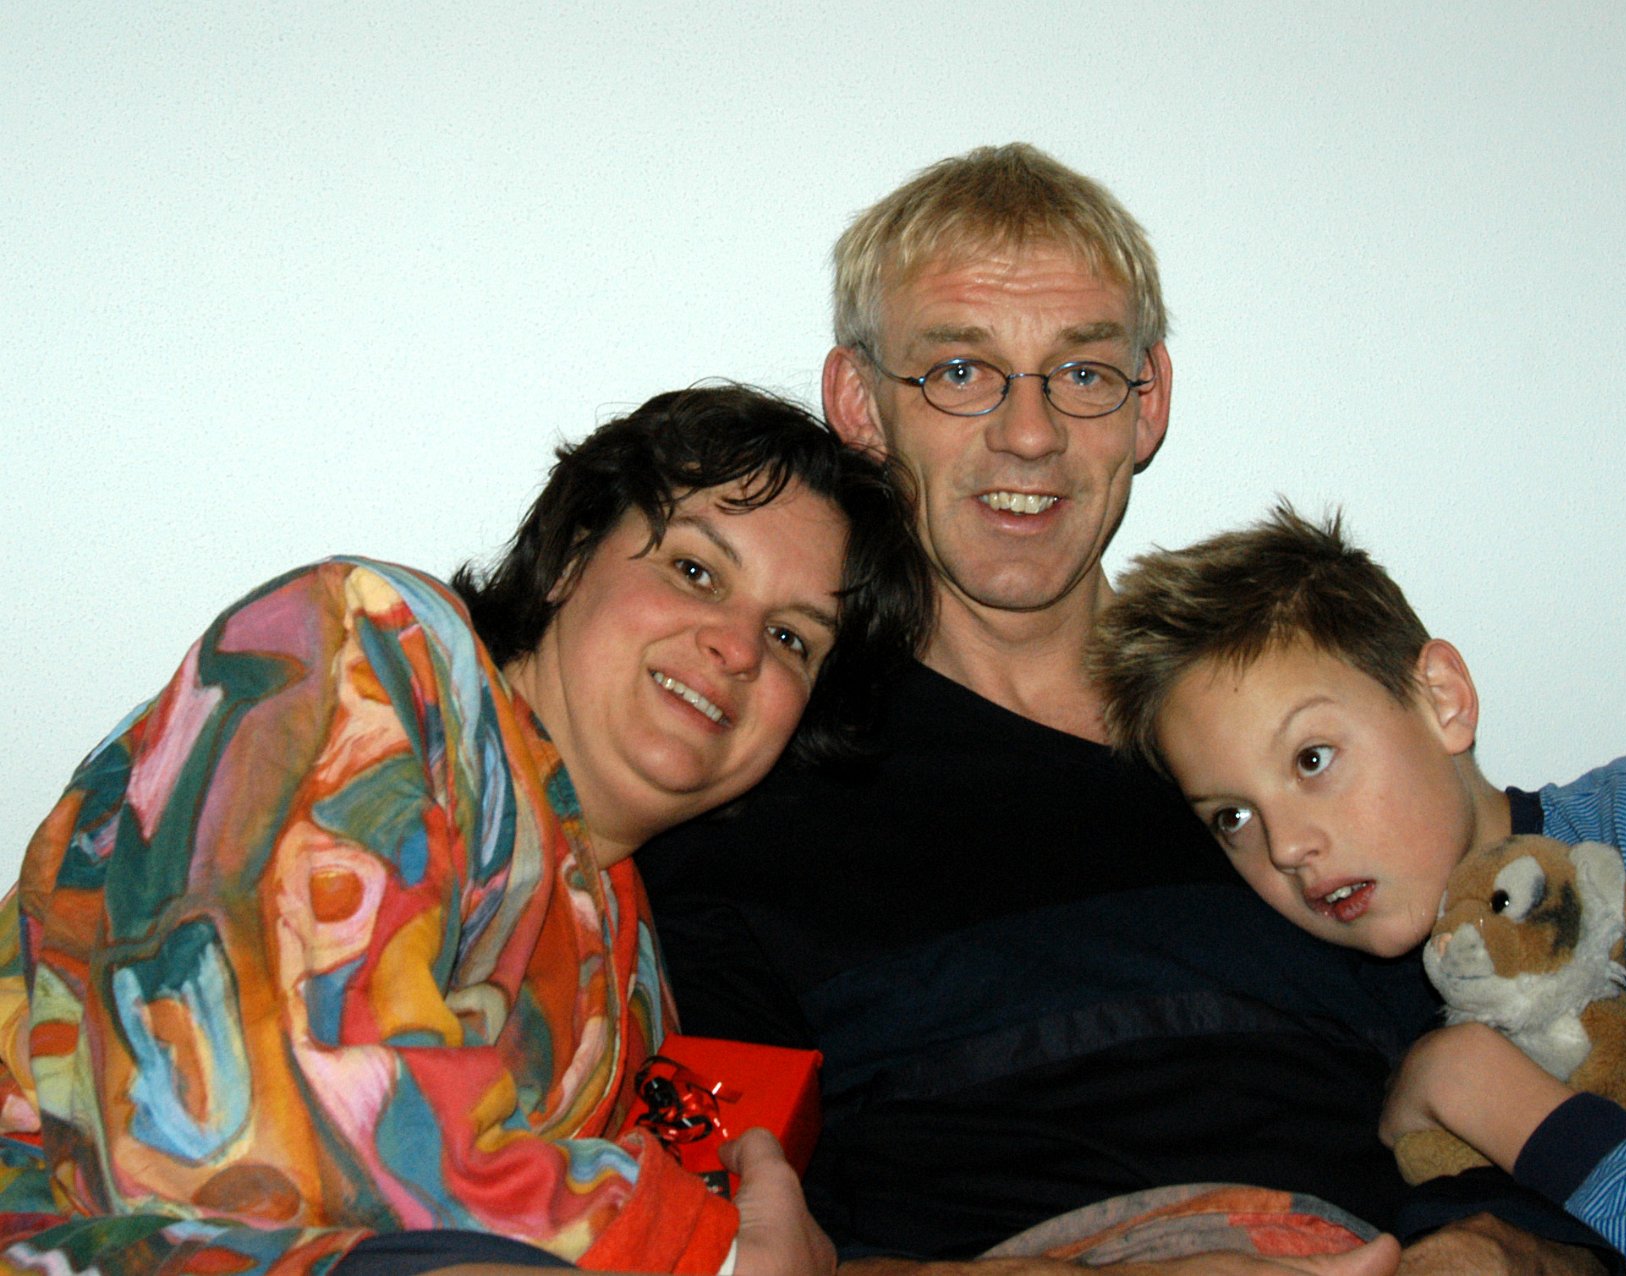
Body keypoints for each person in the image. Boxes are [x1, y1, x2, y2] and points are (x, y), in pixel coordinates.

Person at [644, 144, 1614, 1274]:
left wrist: (1487, 1257)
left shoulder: (1300, 754)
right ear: (860, 404)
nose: (1030, 432)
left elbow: (1533, 1126)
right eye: (960, 370)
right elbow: (749, 1240)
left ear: (1148, 402)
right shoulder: (752, 783)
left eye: (1083, 373)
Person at [0, 385, 933, 1276]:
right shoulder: (371, 649)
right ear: (570, 558)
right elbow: (238, 1130)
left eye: (791, 639)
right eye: (695, 571)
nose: (737, 647)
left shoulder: (633, 981)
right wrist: (703, 1247)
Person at [1088, 501, 1626, 1273]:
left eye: (1313, 758)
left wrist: (1489, 1096)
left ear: (1443, 699)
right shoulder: (1396, 991)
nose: (1289, 846)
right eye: (1232, 817)